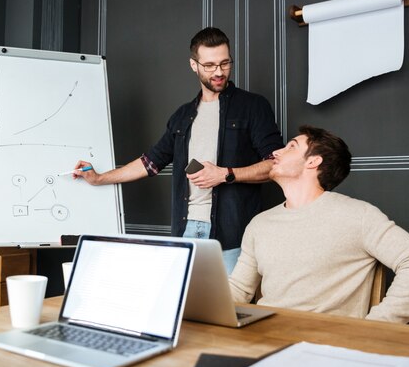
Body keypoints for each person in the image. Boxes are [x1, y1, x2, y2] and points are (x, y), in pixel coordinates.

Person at [73, 27, 283, 273]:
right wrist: (99, 178)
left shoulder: (253, 107)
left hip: (232, 235)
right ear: (194, 65)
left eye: (225, 63)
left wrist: (226, 173)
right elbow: (150, 162)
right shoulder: (182, 117)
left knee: (229, 310)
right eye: (210, 65)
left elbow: (276, 164)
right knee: (185, 309)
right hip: (186, 232)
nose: (219, 72)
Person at [229, 125, 409, 323]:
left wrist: (377, 325)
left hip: (324, 345)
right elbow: (239, 289)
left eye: (291, 146)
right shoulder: (260, 224)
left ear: (313, 161)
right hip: (261, 338)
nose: (275, 152)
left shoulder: (358, 215)